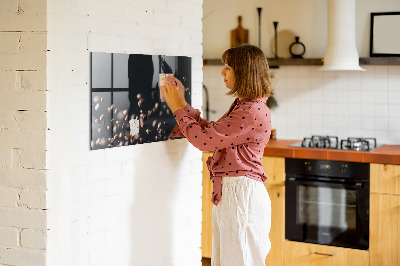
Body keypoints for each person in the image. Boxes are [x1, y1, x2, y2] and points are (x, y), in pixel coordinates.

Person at [161, 44, 273, 266]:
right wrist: (182, 104)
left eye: (228, 67)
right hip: (236, 193)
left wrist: (176, 108)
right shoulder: (246, 106)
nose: (222, 72)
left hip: (241, 195)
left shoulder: (250, 111)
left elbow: (204, 141)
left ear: (244, 72)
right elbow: (212, 133)